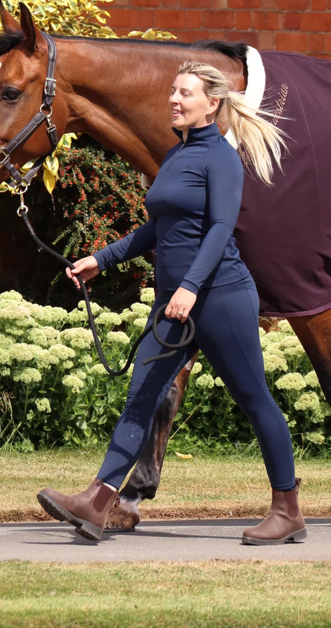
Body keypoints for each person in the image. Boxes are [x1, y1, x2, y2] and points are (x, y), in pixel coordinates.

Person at [37, 61, 305, 545]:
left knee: (253, 398)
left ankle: (288, 510)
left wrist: (191, 288)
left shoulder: (219, 158)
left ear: (212, 103)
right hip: (173, 304)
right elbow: (158, 229)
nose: (174, 101)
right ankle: (98, 502)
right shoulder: (176, 156)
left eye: (185, 93)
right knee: (142, 396)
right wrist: (102, 259)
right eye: (174, 93)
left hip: (220, 296)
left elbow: (221, 227)